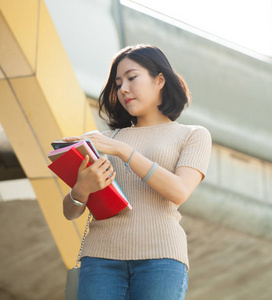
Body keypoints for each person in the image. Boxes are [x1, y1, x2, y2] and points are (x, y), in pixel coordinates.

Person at [61, 44, 212, 300]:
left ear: (160, 80)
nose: (123, 89)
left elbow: (178, 191)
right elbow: (70, 212)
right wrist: (82, 188)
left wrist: (123, 151)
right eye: (118, 83)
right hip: (99, 260)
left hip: (161, 259)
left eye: (132, 78)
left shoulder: (192, 135)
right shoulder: (103, 140)